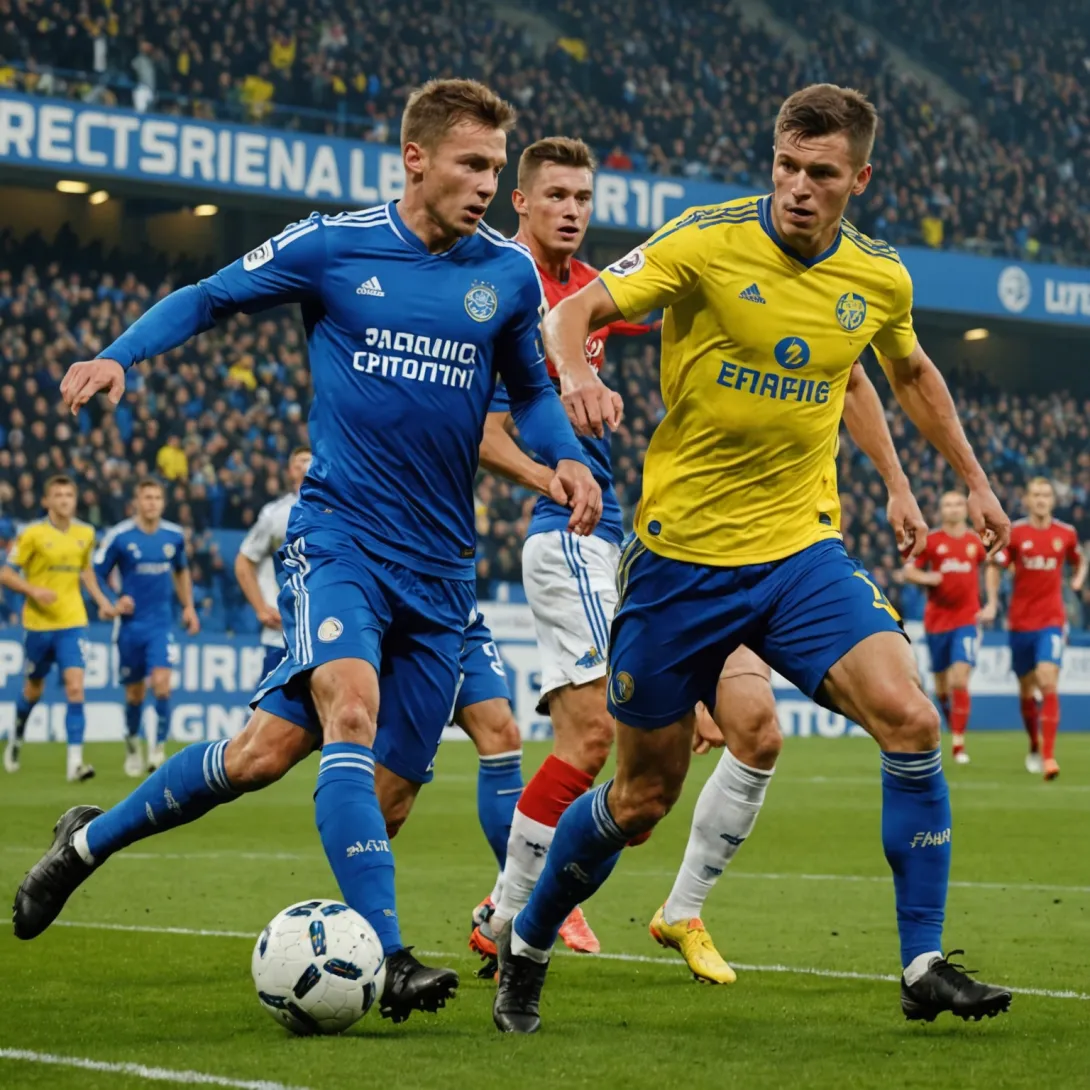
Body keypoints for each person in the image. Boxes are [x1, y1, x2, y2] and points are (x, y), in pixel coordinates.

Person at [14, 78, 600, 1028]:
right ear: (416, 158)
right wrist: (120, 354)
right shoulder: (332, 245)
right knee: (350, 708)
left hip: (441, 571)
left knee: (276, 761)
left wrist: (563, 456)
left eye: (497, 166)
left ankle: (84, 842)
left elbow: (531, 393)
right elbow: (209, 297)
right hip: (340, 540)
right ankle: (391, 959)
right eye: (471, 164)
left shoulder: (506, 273)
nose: (489, 184)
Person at [493, 82, 1014, 1034]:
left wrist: (968, 481)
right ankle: (524, 944)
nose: (799, 187)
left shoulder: (877, 276)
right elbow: (571, 315)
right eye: (786, 165)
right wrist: (572, 377)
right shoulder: (705, 239)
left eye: (822, 173)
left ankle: (923, 962)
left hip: (798, 553)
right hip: (679, 565)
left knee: (910, 717)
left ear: (860, 179)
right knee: (641, 795)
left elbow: (904, 371)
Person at [649, 359, 932, 985]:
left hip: (790, 558)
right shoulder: (721, 318)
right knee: (637, 794)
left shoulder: (832, 322)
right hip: (696, 555)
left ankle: (682, 910)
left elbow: (860, 379)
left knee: (760, 736)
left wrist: (896, 482)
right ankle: (515, 914)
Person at [472, 136, 659, 959]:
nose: (572, 210)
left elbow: (676, 291)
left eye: (582, 197)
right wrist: (552, 478)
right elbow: (484, 431)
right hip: (567, 532)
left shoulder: (589, 290)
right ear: (520, 201)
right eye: (555, 195)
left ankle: (517, 907)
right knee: (598, 740)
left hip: (609, 535)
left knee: (623, 748)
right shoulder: (494, 285)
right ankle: (513, 911)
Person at [1, 476, 116, 781]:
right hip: (38, 624)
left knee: (75, 686)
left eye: (69, 495)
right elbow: (6, 574)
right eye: (58, 495)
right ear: (47, 501)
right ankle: (17, 736)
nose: (65, 500)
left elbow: (86, 571)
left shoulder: (85, 533)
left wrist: (102, 602)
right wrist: (33, 590)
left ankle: (75, 763)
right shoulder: (32, 534)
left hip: (73, 621)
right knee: (33, 690)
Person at [94, 478, 200, 775]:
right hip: (130, 628)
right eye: (147, 498)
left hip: (161, 625)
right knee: (135, 695)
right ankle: (132, 744)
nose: (152, 503)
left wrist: (189, 607)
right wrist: (113, 601)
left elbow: (181, 571)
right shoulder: (120, 536)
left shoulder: (174, 536)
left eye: (157, 498)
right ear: (136, 502)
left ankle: (157, 750)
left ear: (163, 503)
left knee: (162, 685)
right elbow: (96, 573)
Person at [988, 477, 1086, 780]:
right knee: (1026, 689)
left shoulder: (1066, 534)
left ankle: (1048, 756)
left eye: (1046, 495)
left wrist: (1078, 579)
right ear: (1027, 500)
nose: (1041, 499)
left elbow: (1079, 560)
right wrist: (992, 602)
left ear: (1052, 501)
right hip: (1020, 623)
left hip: (1052, 621)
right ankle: (1033, 742)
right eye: (1036, 495)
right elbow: (995, 564)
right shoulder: (1016, 533)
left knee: (1047, 681)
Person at [898, 491, 996, 765]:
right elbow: (909, 571)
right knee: (941, 685)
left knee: (959, 680)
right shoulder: (931, 541)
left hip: (967, 619)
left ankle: (958, 744)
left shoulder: (975, 541)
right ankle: (951, 719)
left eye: (957, 504)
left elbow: (992, 567)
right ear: (941, 511)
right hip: (937, 622)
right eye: (948, 505)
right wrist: (927, 577)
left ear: (965, 510)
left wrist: (991, 603)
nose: (953, 509)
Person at [234, 446, 312, 682]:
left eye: (310, 461)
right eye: (300, 462)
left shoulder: (340, 513)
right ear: (291, 471)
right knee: (272, 698)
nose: (306, 466)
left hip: (323, 630)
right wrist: (261, 608)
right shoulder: (275, 515)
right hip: (281, 632)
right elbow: (244, 561)